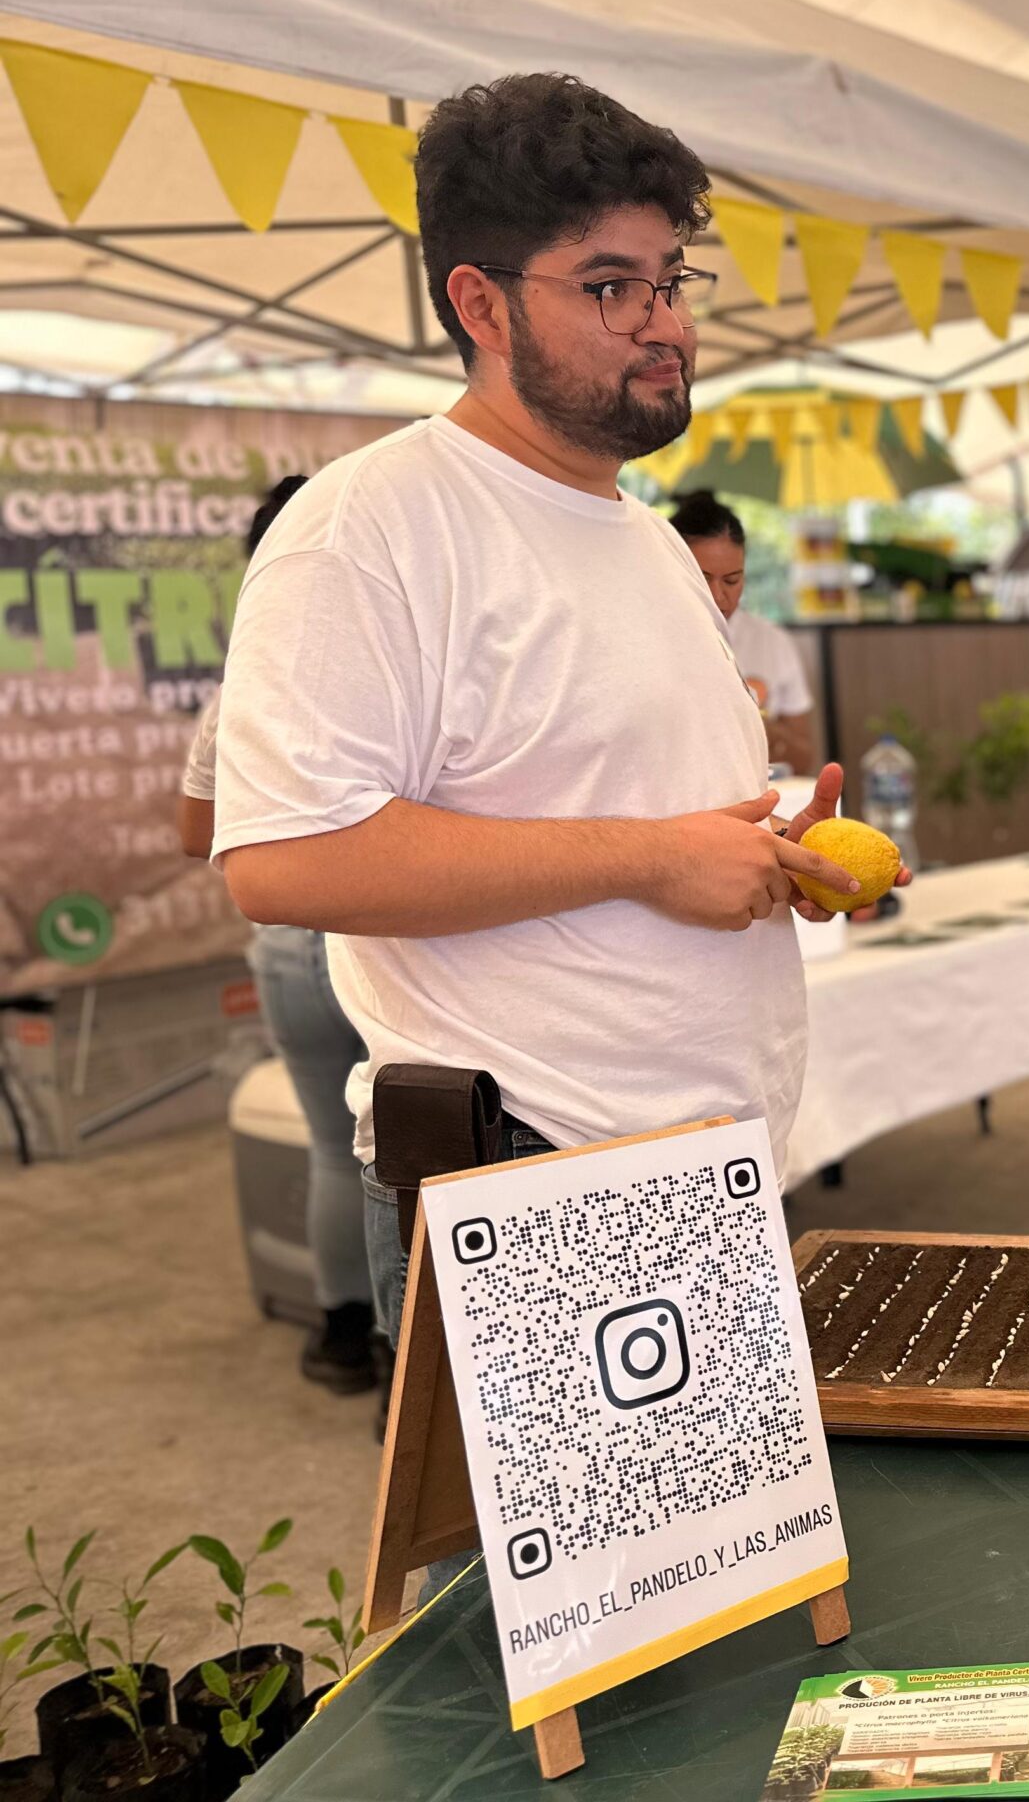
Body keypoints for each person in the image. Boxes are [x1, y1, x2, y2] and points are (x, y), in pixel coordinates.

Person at [211, 73, 904, 1376]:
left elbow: (623, 800)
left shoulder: (641, 535)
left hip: (701, 1161)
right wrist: (652, 857)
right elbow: (285, 860)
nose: (665, 326)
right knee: (546, 1590)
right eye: (608, 288)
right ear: (479, 302)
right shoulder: (370, 528)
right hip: (527, 1185)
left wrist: (765, 855)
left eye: (674, 279)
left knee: (717, 1582)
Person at [179, 474, 379, 1398]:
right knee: (409, 1149)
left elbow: (197, 834)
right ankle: (403, 1371)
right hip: (381, 940)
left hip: (285, 945)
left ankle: (342, 1336)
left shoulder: (238, 689)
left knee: (336, 1145)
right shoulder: (378, 664)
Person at [668, 488, 817, 773]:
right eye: (702, 579)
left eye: (732, 580)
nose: (718, 596)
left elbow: (804, 761)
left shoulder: (772, 643)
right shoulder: (648, 642)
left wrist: (767, 731)